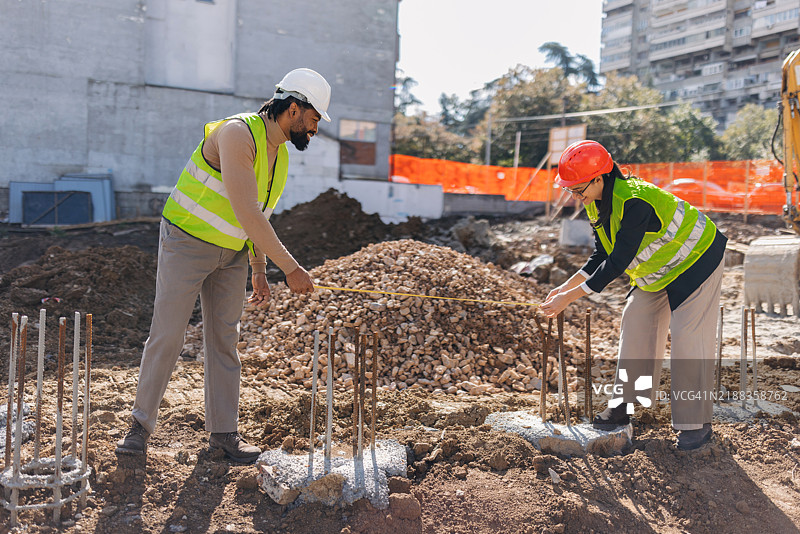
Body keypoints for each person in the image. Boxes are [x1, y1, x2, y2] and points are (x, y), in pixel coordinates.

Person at [115, 68, 331, 463]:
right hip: (186, 241)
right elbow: (247, 210)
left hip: (230, 254)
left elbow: (259, 215)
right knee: (168, 335)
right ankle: (139, 428)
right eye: (314, 119)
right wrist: (291, 268)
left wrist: (260, 268)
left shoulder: (279, 155)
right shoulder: (237, 134)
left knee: (224, 340)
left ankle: (223, 436)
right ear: (295, 108)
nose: (315, 130)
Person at [539, 140, 726, 451]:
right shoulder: (594, 201)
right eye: (570, 189)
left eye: (577, 188)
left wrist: (570, 298)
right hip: (658, 272)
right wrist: (564, 287)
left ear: (599, 178)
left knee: (687, 336)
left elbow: (617, 261)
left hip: (697, 260)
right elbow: (601, 253)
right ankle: (625, 404)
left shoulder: (634, 201)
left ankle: (695, 426)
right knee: (636, 321)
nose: (574, 195)